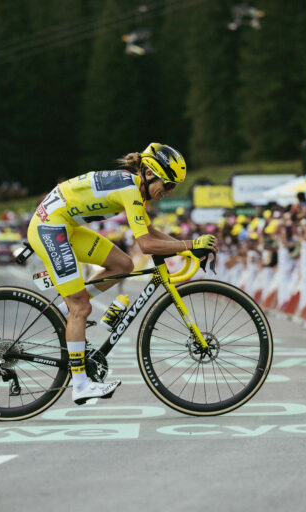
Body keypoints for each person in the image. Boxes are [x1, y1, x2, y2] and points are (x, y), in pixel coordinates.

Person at [27, 143, 218, 404]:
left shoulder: (133, 188)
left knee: (123, 265)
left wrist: (186, 248)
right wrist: (189, 245)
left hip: (64, 224)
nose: (169, 192)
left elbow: (150, 233)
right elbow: (147, 245)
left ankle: (65, 309)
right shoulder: (130, 191)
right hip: (50, 227)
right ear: (149, 173)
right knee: (81, 307)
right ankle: (81, 384)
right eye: (169, 184)